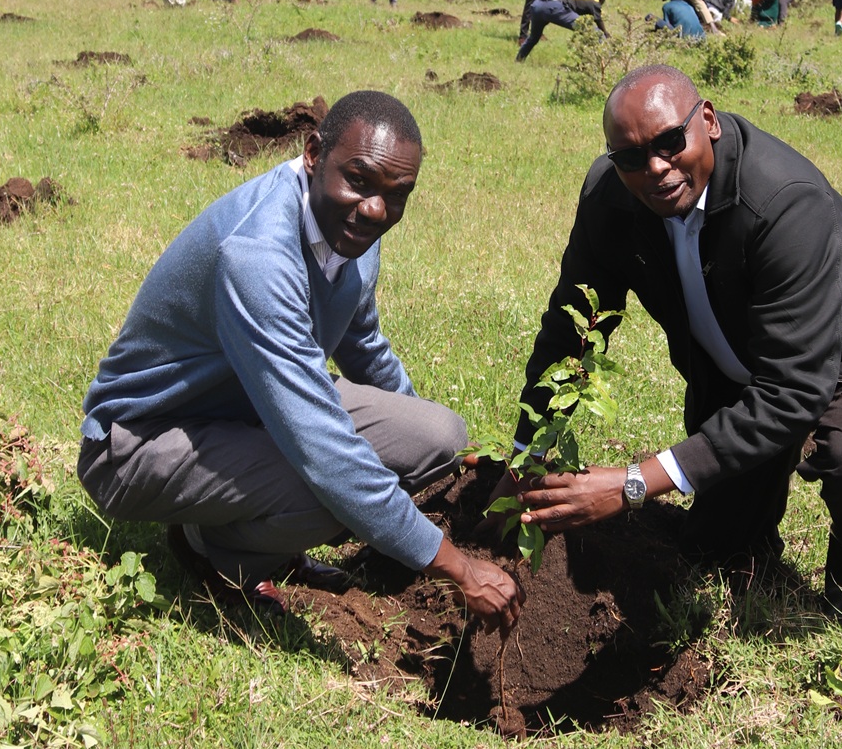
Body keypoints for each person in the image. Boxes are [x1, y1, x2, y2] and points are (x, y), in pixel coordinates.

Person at [77, 91, 523, 630]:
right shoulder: (257, 255)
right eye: (358, 180)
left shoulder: (349, 228)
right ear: (313, 154)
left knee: (439, 435)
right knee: (331, 487)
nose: (376, 209)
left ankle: (246, 522)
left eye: (396, 194)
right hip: (142, 443)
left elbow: (362, 343)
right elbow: (324, 451)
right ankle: (215, 553)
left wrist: (460, 454)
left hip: (245, 406)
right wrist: (456, 565)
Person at [497, 65, 842, 617]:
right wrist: (525, 452)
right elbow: (573, 326)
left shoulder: (784, 202)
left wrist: (633, 483)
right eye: (630, 158)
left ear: (707, 121)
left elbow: (793, 390)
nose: (655, 168)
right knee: (714, 548)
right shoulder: (611, 198)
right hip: (745, 355)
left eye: (669, 142)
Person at [515, 0, 607, 61]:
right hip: (554, 6)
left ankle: (518, 60)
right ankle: (608, 61)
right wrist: (605, 33)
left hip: (537, 4)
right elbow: (598, 19)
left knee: (533, 38)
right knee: (595, 33)